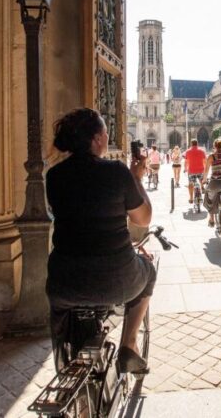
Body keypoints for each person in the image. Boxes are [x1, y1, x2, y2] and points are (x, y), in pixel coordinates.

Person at [45, 108, 154, 375]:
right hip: (117, 278)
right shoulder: (117, 172)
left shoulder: (54, 176)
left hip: (65, 282)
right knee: (149, 272)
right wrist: (136, 179)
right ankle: (128, 345)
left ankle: (64, 361)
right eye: (106, 133)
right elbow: (143, 219)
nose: (108, 137)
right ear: (96, 139)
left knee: (59, 307)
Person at [183, 139, 206, 204]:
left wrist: (185, 169)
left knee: (190, 184)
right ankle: (202, 186)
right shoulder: (202, 151)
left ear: (191, 144)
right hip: (200, 170)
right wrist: (205, 169)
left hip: (191, 171)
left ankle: (191, 198)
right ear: (197, 144)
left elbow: (186, 162)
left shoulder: (187, 151)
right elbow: (205, 161)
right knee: (201, 179)